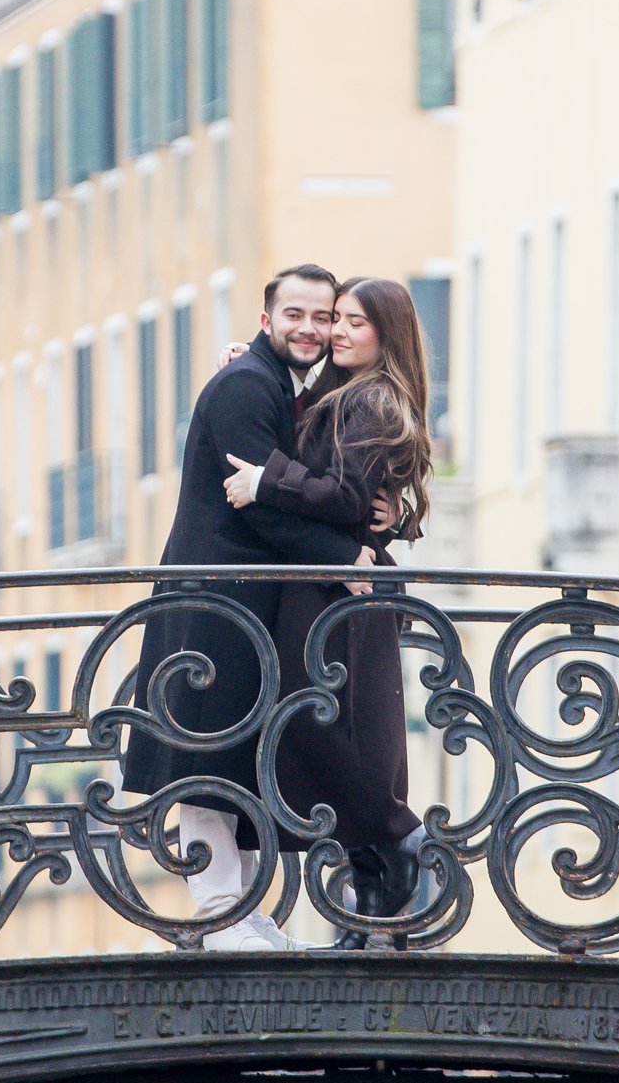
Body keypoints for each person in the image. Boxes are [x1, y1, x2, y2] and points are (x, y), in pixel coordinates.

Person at [119, 264, 368, 949]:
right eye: (296, 314)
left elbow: (285, 494)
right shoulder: (247, 387)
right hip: (212, 598)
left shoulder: (274, 384)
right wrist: (343, 558)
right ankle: (218, 910)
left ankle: (240, 910)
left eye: (323, 317)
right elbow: (263, 507)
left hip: (239, 596)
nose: (311, 328)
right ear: (267, 321)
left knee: (237, 745)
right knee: (205, 749)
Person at [221, 276, 433, 929]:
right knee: (326, 728)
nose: (337, 331)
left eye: (354, 323)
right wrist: (249, 364)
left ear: (385, 335)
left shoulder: (371, 401)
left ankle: (397, 849)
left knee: (329, 730)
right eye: (336, 319)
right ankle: (377, 875)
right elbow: (348, 484)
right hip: (328, 590)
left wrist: (265, 480)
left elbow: (342, 496)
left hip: (339, 595)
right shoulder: (346, 395)